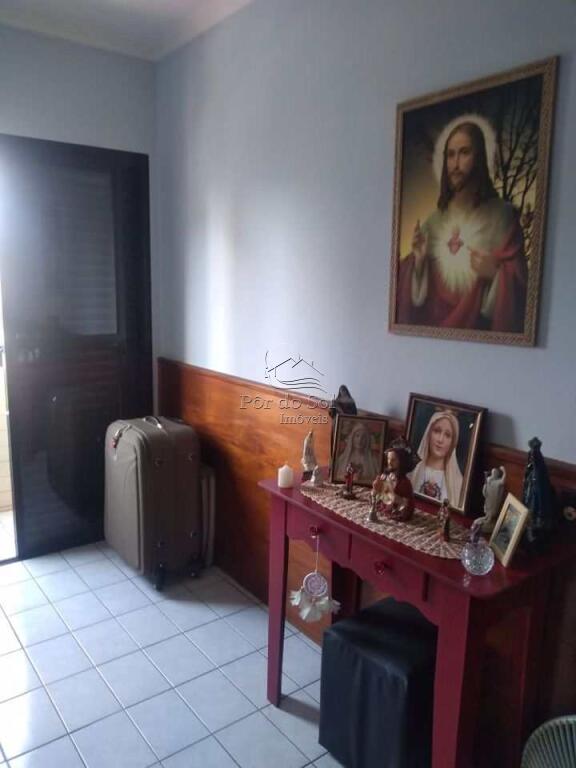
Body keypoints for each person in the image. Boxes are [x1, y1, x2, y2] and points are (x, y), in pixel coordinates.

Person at [397, 118, 527, 332]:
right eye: (450, 155)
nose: (455, 164)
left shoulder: (502, 217)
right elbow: (411, 306)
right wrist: (419, 264)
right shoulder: (433, 223)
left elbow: (522, 293)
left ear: (479, 158)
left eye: (464, 153)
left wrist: (496, 274)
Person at [409, 410, 463, 506]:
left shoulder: (458, 483)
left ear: (453, 442)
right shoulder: (411, 471)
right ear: (428, 434)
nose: (440, 440)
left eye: (447, 435)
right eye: (437, 431)